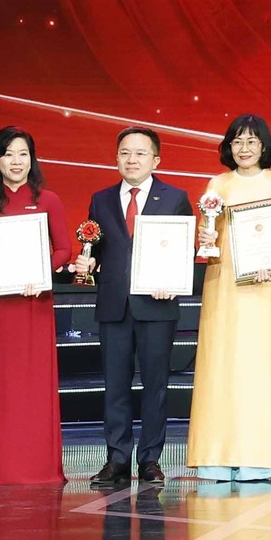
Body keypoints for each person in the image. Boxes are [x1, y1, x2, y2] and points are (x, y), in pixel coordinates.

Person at [0, 124, 75, 485]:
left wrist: (42, 270)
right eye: (9, 154)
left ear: (32, 160)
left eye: (24, 154)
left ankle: (34, 467)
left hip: (32, 303)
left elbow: (64, 249)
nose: (17, 161)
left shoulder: (48, 200)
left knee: (29, 387)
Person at [188, 113, 271, 482]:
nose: (244, 148)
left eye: (252, 141)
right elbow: (208, 232)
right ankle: (215, 457)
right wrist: (205, 238)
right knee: (220, 365)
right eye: (237, 141)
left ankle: (260, 458)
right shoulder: (217, 185)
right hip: (222, 285)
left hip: (262, 287)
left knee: (258, 366)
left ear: (264, 146)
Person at [82, 125, 195, 491]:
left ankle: (150, 459)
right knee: (115, 386)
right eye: (125, 153)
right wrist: (89, 262)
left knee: (155, 386)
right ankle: (116, 458)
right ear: (116, 158)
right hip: (114, 304)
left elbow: (185, 248)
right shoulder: (100, 199)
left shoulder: (175, 197)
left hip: (157, 305)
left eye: (140, 153)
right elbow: (97, 249)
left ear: (156, 160)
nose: (132, 159)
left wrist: (172, 279)